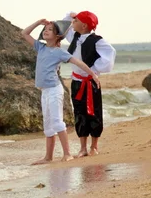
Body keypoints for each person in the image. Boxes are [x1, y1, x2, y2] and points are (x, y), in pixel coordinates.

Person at [22, 19, 101, 165]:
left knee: (57, 122)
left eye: (50, 29)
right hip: (44, 91)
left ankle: (67, 154)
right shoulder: (41, 47)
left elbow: (78, 62)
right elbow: (24, 33)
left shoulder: (59, 52)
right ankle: (48, 157)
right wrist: (39, 22)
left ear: (57, 35)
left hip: (54, 90)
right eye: (45, 29)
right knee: (48, 125)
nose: (46, 31)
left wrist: (93, 75)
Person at [62, 11, 116, 157]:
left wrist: (93, 70)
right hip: (77, 81)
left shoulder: (96, 40)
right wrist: (71, 15)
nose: (73, 22)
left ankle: (94, 146)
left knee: (94, 113)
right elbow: (64, 25)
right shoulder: (74, 36)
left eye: (76, 21)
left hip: (91, 82)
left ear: (84, 25)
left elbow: (110, 55)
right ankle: (82, 147)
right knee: (79, 113)